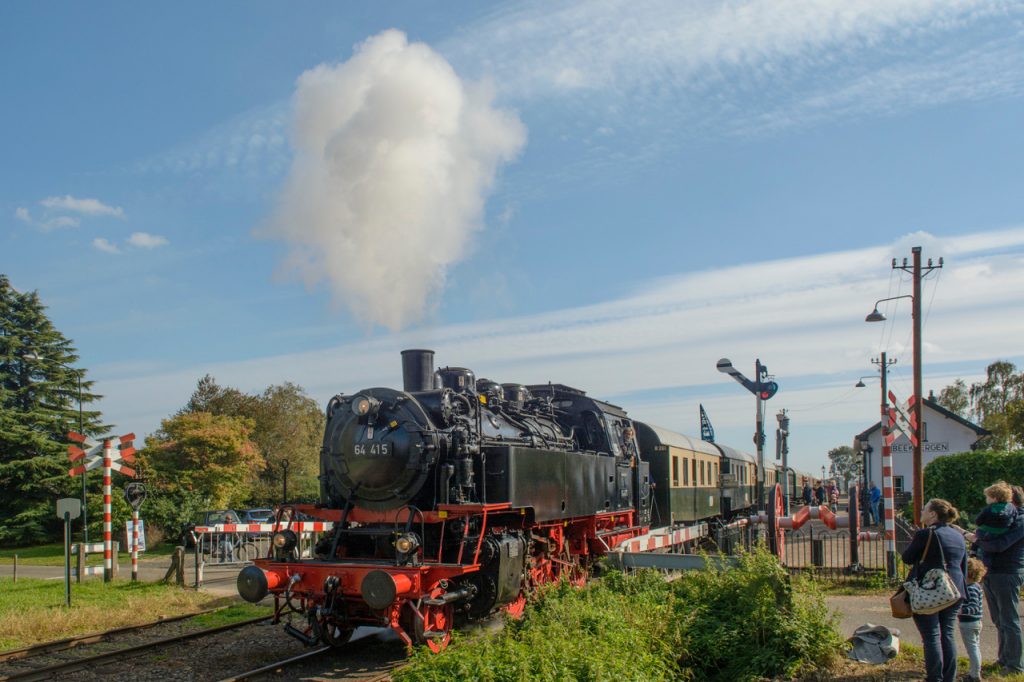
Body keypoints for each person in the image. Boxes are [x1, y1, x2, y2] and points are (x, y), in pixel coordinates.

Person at [901, 498, 967, 682]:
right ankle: (949, 677)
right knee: (947, 633)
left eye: (924, 509)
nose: (921, 512)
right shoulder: (957, 535)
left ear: (933, 514)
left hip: (930, 589)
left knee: (931, 636)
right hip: (954, 589)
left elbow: (907, 557)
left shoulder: (926, 534)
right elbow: (963, 564)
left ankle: (934, 677)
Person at [969, 482, 1024, 674]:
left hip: (1008, 571)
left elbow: (999, 545)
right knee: (1000, 619)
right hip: (993, 571)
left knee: (1009, 619)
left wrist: (977, 539)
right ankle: (1003, 659)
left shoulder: (1020, 520)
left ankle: (1015, 665)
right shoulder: (1002, 521)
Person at [959, 557, 987, 682]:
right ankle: (975, 671)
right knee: (975, 647)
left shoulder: (971, 588)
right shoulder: (976, 587)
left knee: (972, 649)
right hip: (975, 623)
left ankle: (975, 675)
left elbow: (973, 607)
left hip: (969, 623)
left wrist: (960, 611)